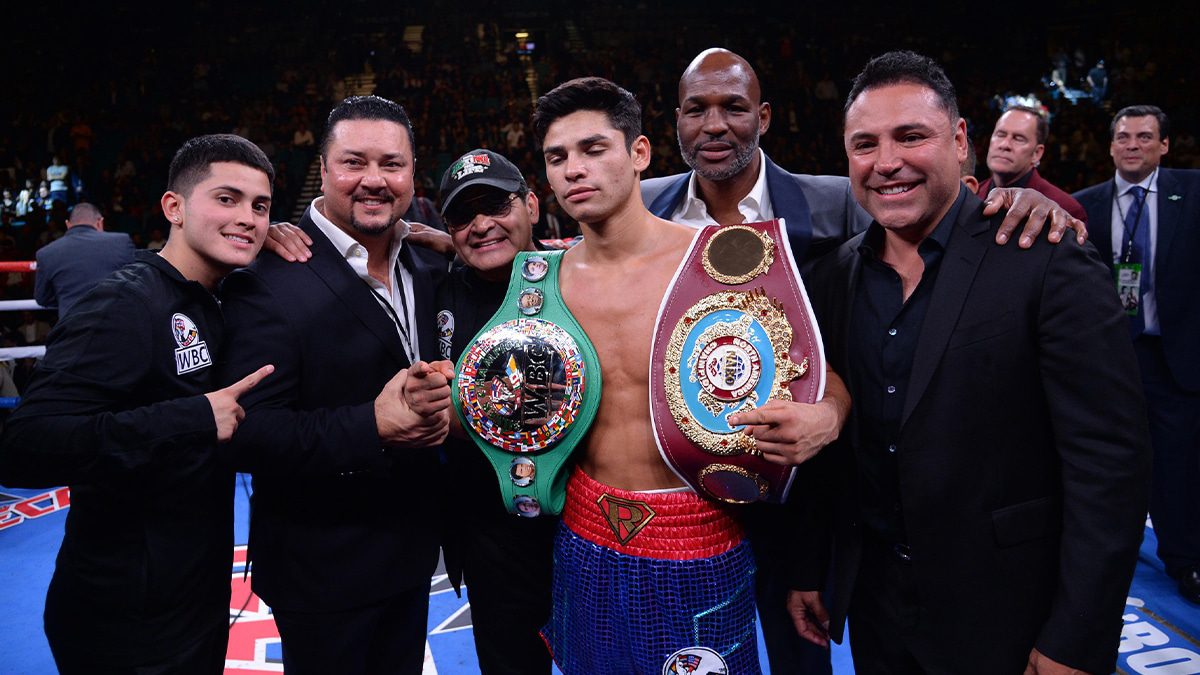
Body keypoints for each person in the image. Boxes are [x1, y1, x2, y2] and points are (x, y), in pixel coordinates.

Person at [639, 47, 1089, 674]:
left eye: (733, 106)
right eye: (697, 109)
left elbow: (934, 221)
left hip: (811, 496)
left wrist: (1020, 199)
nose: (715, 124)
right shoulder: (636, 210)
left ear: (764, 116)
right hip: (682, 500)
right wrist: (447, 240)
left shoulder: (839, 206)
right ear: (675, 121)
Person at [790, 51, 1151, 674]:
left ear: (961, 142)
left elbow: (1109, 466)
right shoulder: (832, 276)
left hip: (1012, 617)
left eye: (911, 137)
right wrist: (810, 565)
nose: (887, 163)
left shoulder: (1047, 257)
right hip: (879, 612)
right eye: (865, 144)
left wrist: (1078, 633)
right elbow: (835, 444)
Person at [530, 76, 849, 675]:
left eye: (594, 149)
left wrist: (825, 418)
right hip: (583, 534)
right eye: (557, 157)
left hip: (702, 533)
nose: (574, 169)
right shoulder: (538, 284)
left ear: (639, 154)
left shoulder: (723, 258)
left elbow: (822, 375)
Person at [0, 134, 277, 674]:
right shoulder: (124, 303)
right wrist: (194, 417)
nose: (247, 217)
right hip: (124, 617)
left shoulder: (215, 295)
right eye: (227, 199)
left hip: (187, 596)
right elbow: (26, 444)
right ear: (173, 207)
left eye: (260, 206)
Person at [217, 95, 454, 675]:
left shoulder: (428, 264)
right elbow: (250, 431)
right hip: (321, 568)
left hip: (414, 549)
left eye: (391, 164)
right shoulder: (265, 275)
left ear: (411, 173)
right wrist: (371, 425)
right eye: (354, 162)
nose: (374, 180)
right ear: (323, 170)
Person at [434, 148, 557, 675]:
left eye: (497, 206)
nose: (481, 225)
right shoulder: (430, 288)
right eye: (463, 216)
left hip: (586, 531)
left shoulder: (585, 273)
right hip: (491, 541)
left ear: (531, 204)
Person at [1073, 105, 1200, 604]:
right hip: (1111, 361)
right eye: (1123, 137)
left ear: (1164, 145)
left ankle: (1186, 560)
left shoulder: (1192, 193)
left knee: (1179, 465)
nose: (1132, 145)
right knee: (1107, 465)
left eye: (1144, 137)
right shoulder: (1087, 204)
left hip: (1176, 357)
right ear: (1109, 146)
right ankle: (1102, 564)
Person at [977, 106, 1088, 222]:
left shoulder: (1065, 209)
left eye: (1018, 139)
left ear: (1036, 153)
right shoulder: (971, 194)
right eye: (1000, 134)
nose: (1005, 145)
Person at [34, 201, 135, 319]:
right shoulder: (121, 241)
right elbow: (136, 284)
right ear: (100, 223)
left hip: (72, 328)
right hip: (115, 325)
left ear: (68, 225)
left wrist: (66, 297)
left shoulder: (46, 253)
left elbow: (42, 298)